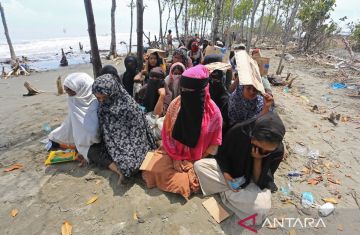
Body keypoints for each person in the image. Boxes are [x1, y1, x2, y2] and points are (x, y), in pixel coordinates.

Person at [142, 65, 223, 199]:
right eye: (183, 90)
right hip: (173, 152)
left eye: (190, 91)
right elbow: (167, 134)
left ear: (202, 90)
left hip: (197, 158)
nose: (186, 93)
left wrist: (193, 162)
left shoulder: (214, 114)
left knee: (186, 183)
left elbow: (213, 146)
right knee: (152, 170)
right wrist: (175, 157)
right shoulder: (176, 104)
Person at [194, 112, 286, 223]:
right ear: (253, 136)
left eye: (267, 151)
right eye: (259, 147)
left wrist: (258, 159)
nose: (263, 152)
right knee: (200, 166)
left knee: (261, 210)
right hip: (230, 174)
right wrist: (226, 174)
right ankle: (231, 193)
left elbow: (260, 181)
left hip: (252, 182)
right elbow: (223, 156)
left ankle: (225, 192)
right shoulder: (240, 131)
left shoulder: (278, 150)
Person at [89, 73, 157, 184]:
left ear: (113, 92)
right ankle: (124, 169)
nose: (101, 101)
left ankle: (124, 170)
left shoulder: (130, 106)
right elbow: (107, 137)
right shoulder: (103, 109)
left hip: (136, 146)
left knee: (128, 165)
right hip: (116, 146)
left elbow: (140, 135)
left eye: (104, 97)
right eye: (98, 98)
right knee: (93, 151)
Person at [48, 73, 100, 165]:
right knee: (55, 138)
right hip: (83, 141)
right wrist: (54, 137)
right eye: (65, 89)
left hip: (97, 142)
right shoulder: (72, 99)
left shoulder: (97, 99)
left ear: (82, 88)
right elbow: (71, 122)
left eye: (69, 89)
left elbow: (93, 132)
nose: (66, 92)